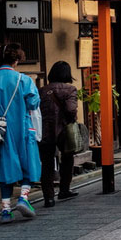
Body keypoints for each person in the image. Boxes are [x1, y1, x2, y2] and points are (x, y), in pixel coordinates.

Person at [0, 44, 39, 223]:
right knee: (28, 162)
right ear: (17, 60)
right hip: (21, 128)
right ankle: (23, 197)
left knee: (4, 165)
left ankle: (6, 209)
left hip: (1, 131)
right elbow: (33, 103)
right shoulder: (23, 79)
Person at [38, 61, 79, 208]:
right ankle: (64, 189)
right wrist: (72, 120)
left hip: (44, 130)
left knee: (47, 164)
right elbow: (70, 109)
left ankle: (48, 198)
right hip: (63, 130)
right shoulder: (70, 89)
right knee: (67, 158)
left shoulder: (42, 90)